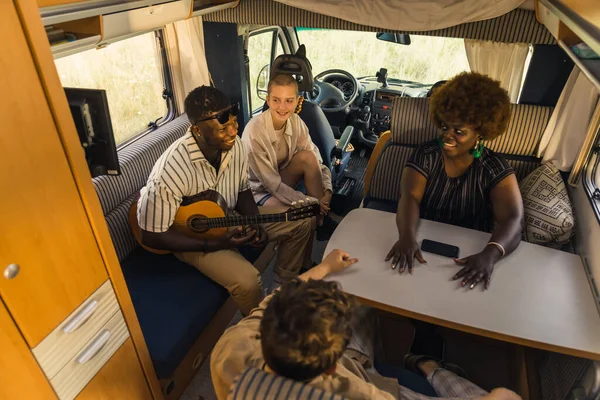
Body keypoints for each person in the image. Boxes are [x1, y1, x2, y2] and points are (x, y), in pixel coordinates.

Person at [210, 249, 522, 400]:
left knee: (359, 303)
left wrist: (325, 267)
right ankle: (427, 366)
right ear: (332, 366)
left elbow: (279, 296)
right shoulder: (350, 392)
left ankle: (420, 363)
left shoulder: (231, 345)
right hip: (366, 377)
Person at [136, 86, 312, 316]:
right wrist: (214, 245)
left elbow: (242, 190)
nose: (233, 131)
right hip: (188, 235)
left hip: (226, 216)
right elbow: (151, 234)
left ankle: (281, 286)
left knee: (302, 223)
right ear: (197, 130)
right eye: (224, 127)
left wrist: (256, 222)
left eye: (234, 122)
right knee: (248, 282)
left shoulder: (234, 145)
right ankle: (259, 328)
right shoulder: (172, 169)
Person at [386, 72, 524, 290]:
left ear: (480, 132)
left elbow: (513, 219)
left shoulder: (494, 167)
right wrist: (406, 237)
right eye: (444, 127)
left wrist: (490, 255)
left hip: (472, 251)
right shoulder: (427, 154)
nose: (447, 136)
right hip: (423, 243)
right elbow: (410, 196)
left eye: (459, 131)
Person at [241, 73, 337, 238]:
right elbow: (272, 185)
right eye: (276, 100)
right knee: (306, 217)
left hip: (281, 178)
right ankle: (305, 258)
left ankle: (321, 220)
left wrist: (327, 192)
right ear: (268, 100)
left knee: (307, 157)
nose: (282, 107)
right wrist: (311, 203)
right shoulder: (254, 133)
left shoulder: (296, 122)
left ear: (298, 100)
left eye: (289, 101)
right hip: (259, 190)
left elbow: (316, 159)